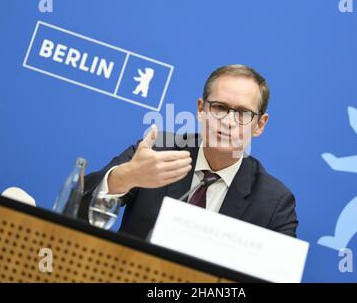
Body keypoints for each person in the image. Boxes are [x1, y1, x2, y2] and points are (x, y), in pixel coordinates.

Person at [78, 64, 298, 239]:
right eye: (220, 107)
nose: (228, 122)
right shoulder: (158, 152)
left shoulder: (274, 203)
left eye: (242, 113)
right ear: (201, 109)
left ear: (260, 124)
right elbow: (76, 211)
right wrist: (126, 177)